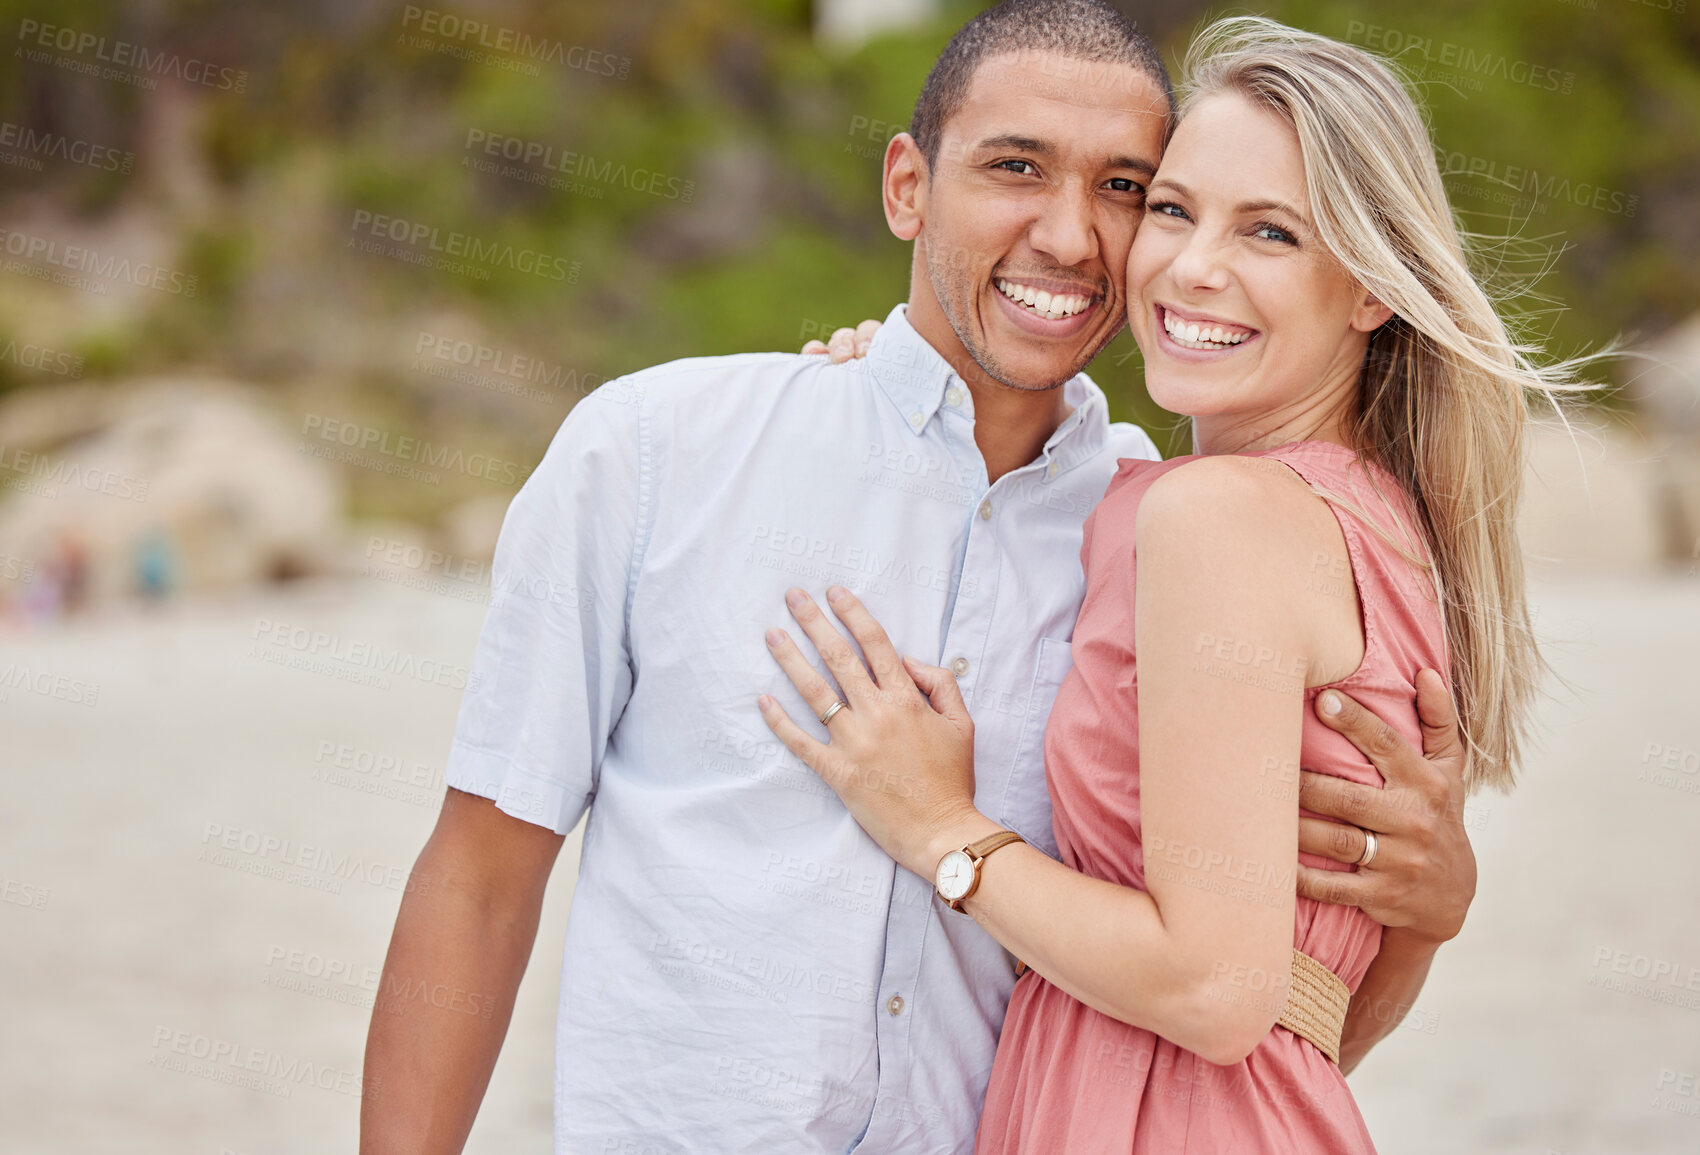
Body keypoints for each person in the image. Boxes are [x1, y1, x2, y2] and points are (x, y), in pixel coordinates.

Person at [360, 4, 1477, 1152]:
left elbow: (1245, 1023)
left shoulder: (1154, 531)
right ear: (908, 186)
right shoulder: (659, 453)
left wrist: (1428, 910)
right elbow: (481, 882)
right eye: (1014, 168)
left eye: (1126, 189)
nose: (1070, 236)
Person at [758, 15, 1579, 1153]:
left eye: (1273, 233)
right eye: (1174, 210)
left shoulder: (1217, 518)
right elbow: (1301, 1024)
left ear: (1372, 290)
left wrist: (940, 829)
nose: (1194, 266)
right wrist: (895, 375)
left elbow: (1211, 993)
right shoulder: (1376, 527)